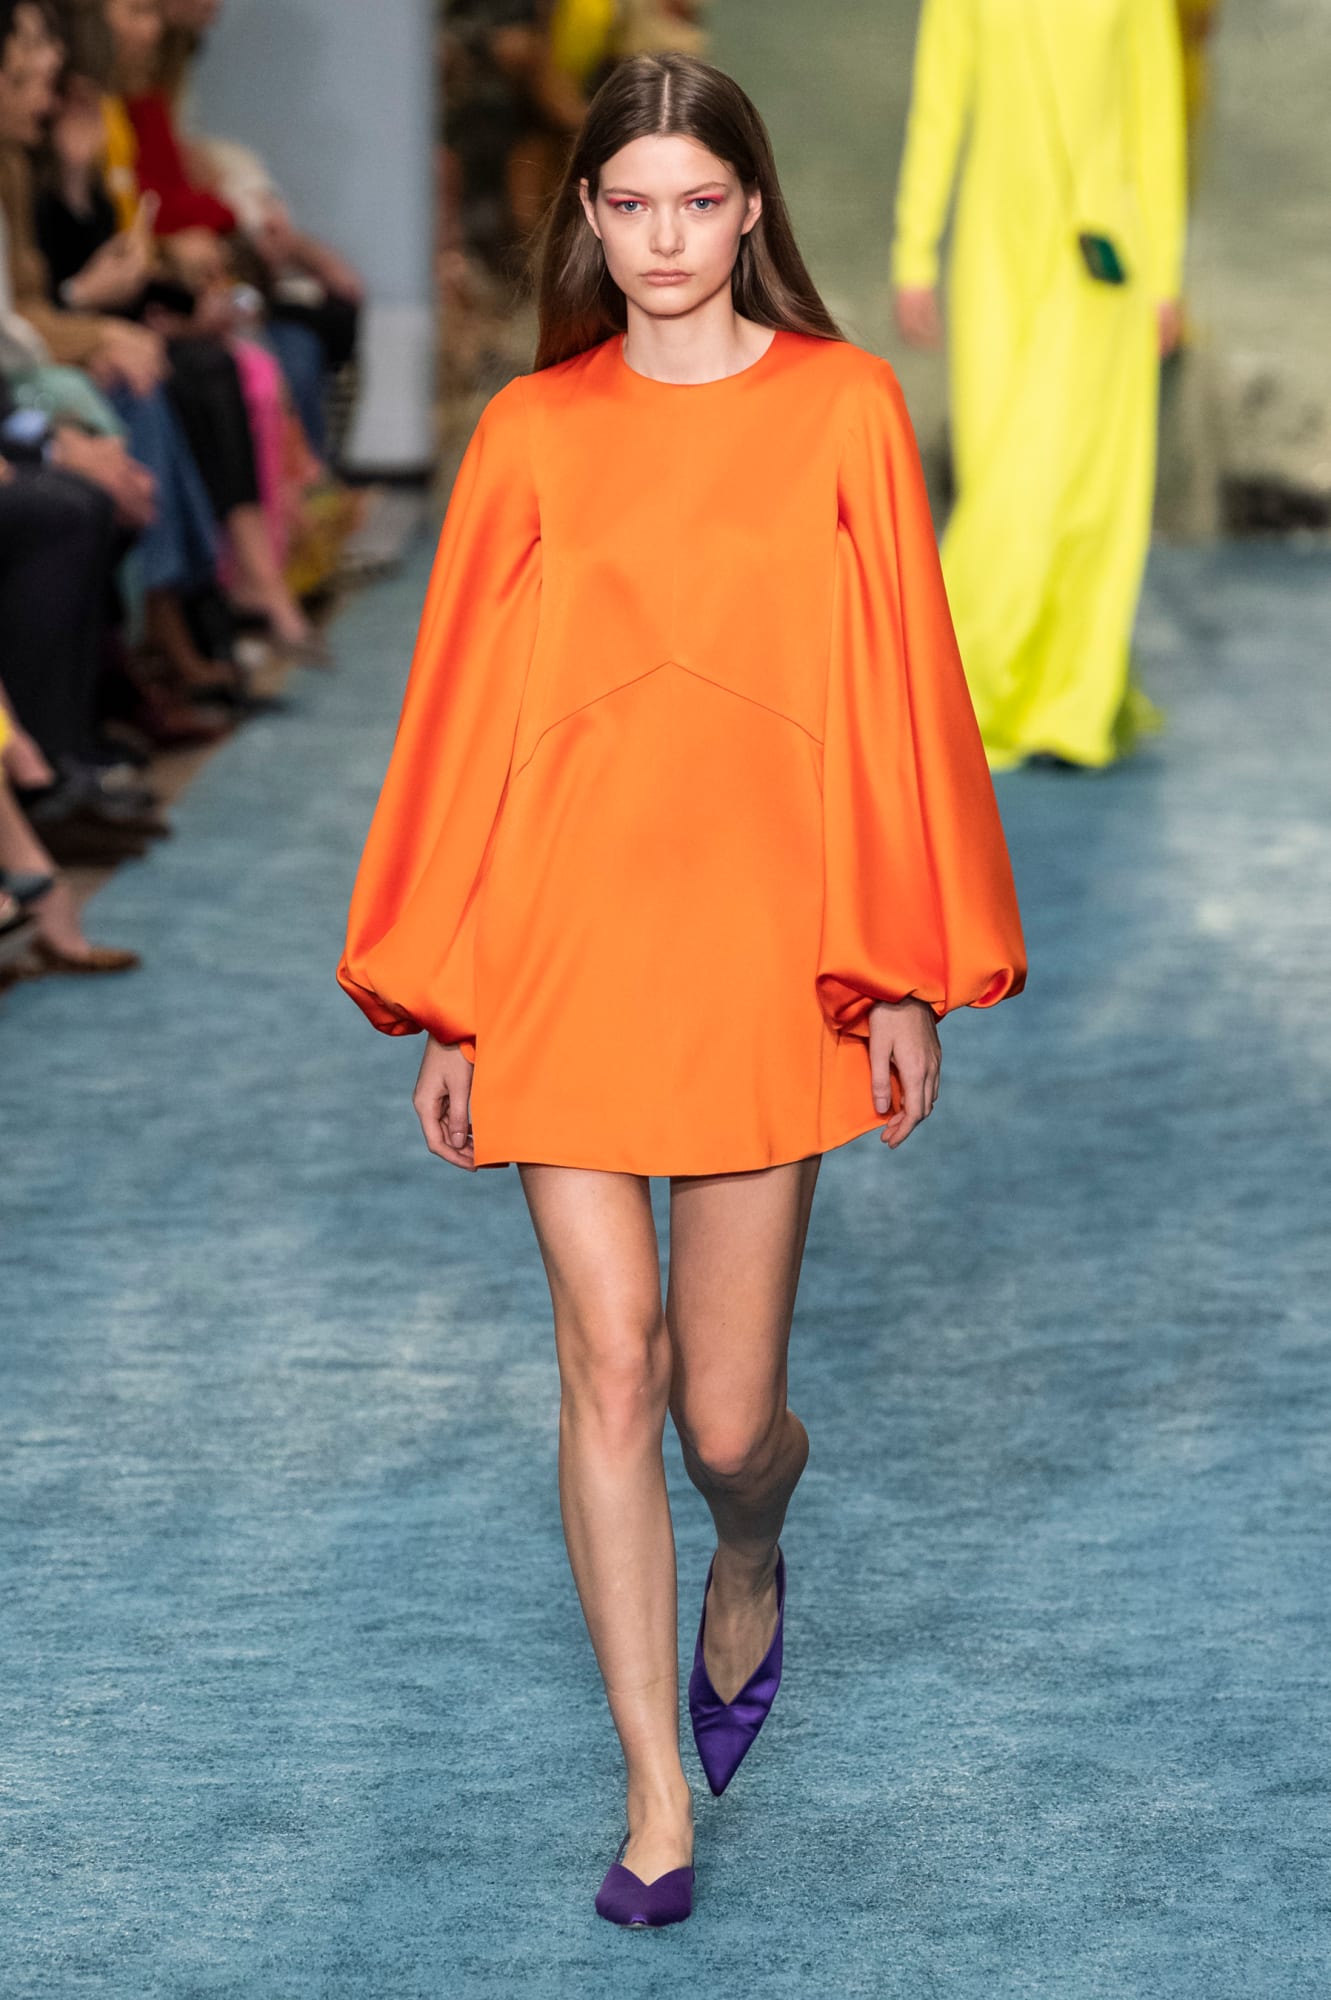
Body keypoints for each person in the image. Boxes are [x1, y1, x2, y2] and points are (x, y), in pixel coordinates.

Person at [338, 53, 1026, 1927]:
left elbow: (897, 697)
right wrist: (452, 998)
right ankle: (654, 1794)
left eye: (697, 203)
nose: (662, 239)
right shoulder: (527, 432)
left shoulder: (843, 409)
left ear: (750, 210)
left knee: (726, 1425)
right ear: (586, 215)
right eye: (629, 204)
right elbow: (463, 723)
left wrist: (897, 974)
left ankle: (748, 1553)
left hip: (760, 949)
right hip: (561, 941)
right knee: (610, 1360)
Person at [893, 0, 1187, 772]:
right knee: (1000, 470)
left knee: (1078, 483)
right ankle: (1006, 689)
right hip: (993, 254)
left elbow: (1155, 123)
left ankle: (1044, 701)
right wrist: (914, 251)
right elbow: (938, 105)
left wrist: (1163, 276)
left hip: (1103, 260)